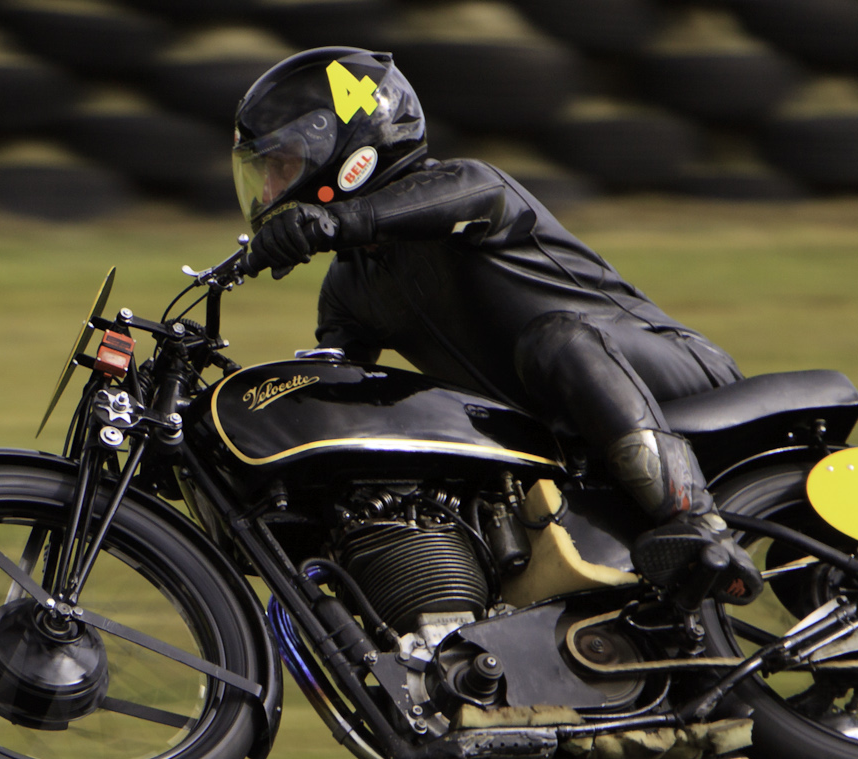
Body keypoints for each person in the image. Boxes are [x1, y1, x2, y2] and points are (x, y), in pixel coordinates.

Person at [234, 46, 762, 604]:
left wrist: (330, 223)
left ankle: (703, 527)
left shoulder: (468, 185)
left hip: (671, 372)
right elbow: (334, 388)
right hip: (570, 441)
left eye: (283, 165)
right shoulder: (349, 287)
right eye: (264, 174)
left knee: (554, 341)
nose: (270, 192)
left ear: (343, 152)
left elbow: (418, 208)